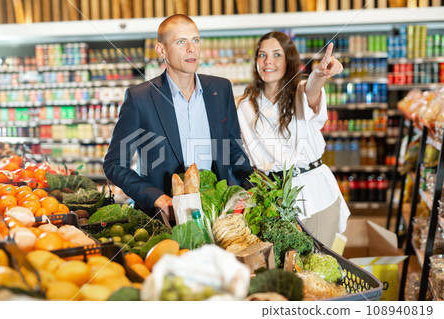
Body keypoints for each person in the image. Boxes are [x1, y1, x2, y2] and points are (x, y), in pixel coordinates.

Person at [104, 14, 254, 220]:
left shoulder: (220, 89)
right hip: (164, 219)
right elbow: (114, 164)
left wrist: (250, 187)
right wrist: (156, 198)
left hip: (216, 215)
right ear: (161, 50)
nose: (191, 48)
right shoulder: (140, 98)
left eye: (195, 40)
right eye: (180, 41)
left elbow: (232, 148)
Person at [237, 31, 350, 247]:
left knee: (320, 272)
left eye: (276, 55)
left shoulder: (300, 92)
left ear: (289, 61)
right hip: (273, 201)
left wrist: (320, 73)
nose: (268, 61)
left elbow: (312, 88)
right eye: (262, 55)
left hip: (316, 197)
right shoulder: (246, 106)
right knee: (286, 273)